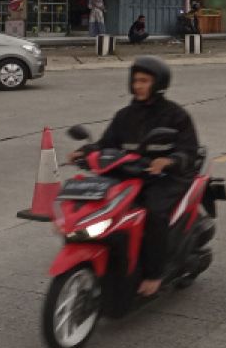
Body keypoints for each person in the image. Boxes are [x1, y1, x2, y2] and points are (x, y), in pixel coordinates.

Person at [70, 57, 198, 297]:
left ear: (158, 83)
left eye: (144, 81)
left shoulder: (175, 116)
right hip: (129, 174)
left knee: (153, 214)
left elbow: (188, 151)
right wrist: (85, 152)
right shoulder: (125, 115)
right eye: (135, 80)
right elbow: (106, 143)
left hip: (165, 178)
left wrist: (169, 161)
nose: (138, 85)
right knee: (95, 206)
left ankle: (154, 274)